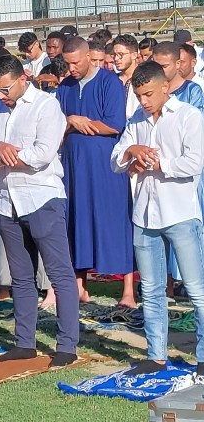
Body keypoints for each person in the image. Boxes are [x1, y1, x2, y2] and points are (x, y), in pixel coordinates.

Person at [0, 56, 79, 367]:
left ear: (25, 78)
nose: (0, 95)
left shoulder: (45, 105)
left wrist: (0, 158)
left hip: (42, 198)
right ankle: (24, 342)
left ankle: (67, 344)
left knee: (59, 273)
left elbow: (43, 153)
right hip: (7, 201)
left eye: (5, 89)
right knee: (20, 276)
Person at [111, 61, 204, 378]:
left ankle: (203, 356)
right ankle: (156, 355)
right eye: (138, 96)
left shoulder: (189, 117)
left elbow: (194, 162)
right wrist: (131, 152)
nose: (144, 101)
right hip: (144, 214)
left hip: (180, 212)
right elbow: (115, 159)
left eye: (148, 93)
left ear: (166, 85)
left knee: (195, 289)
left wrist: (155, 162)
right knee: (150, 290)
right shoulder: (136, 118)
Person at [56, 36, 133, 305]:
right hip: (74, 166)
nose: (72, 68)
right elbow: (56, 126)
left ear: (89, 56)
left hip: (105, 165)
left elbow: (114, 124)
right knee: (77, 220)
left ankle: (127, 292)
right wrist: (70, 121)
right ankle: (80, 286)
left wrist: (83, 124)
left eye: (75, 62)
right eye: (67, 63)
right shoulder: (65, 86)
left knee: (115, 220)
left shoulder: (109, 82)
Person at [151, 41, 204, 113]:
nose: (159, 70)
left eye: (164, 66)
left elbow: (197, 120)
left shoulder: (192, 90)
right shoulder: (151, 88)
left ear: (177, 64)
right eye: (155, 66)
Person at [111, 34, 142, 120]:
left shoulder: (145, 79)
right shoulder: (112, 80)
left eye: (121, 54)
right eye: (114, 54)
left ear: (134, 55)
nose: (116, 58)